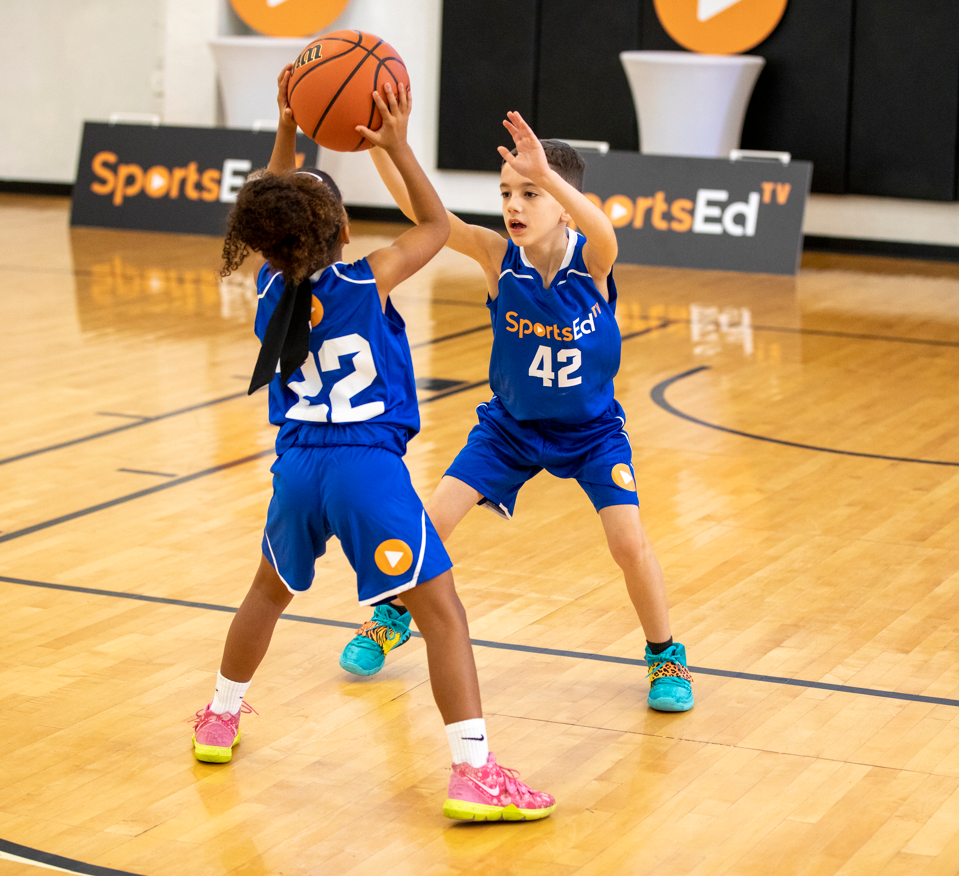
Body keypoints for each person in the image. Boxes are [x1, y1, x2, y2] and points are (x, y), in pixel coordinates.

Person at [190, 68, 555, 823]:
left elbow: (273, 206)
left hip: (297, 469)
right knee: (441, 614)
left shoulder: (268, 288)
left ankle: (220, 716)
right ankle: (473, 773)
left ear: (265, 240)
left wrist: (288, 127)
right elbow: (434, 224)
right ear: (344, 231)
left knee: (267, 592)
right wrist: (397, 144)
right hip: (366, 471)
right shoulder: (367, 280)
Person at [343, 112, 694, 712]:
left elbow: (603, 228)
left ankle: (666, 656)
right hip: (509, 427)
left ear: (564, 205)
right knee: (431, 520)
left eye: (530, 193)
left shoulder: (594, 261)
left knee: (628, 543)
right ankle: (392, 616)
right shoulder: (496, 257)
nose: (513, 204)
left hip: (591, 433)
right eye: (506, 192)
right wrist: (387, 145)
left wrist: (548, 177)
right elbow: (422, 211)